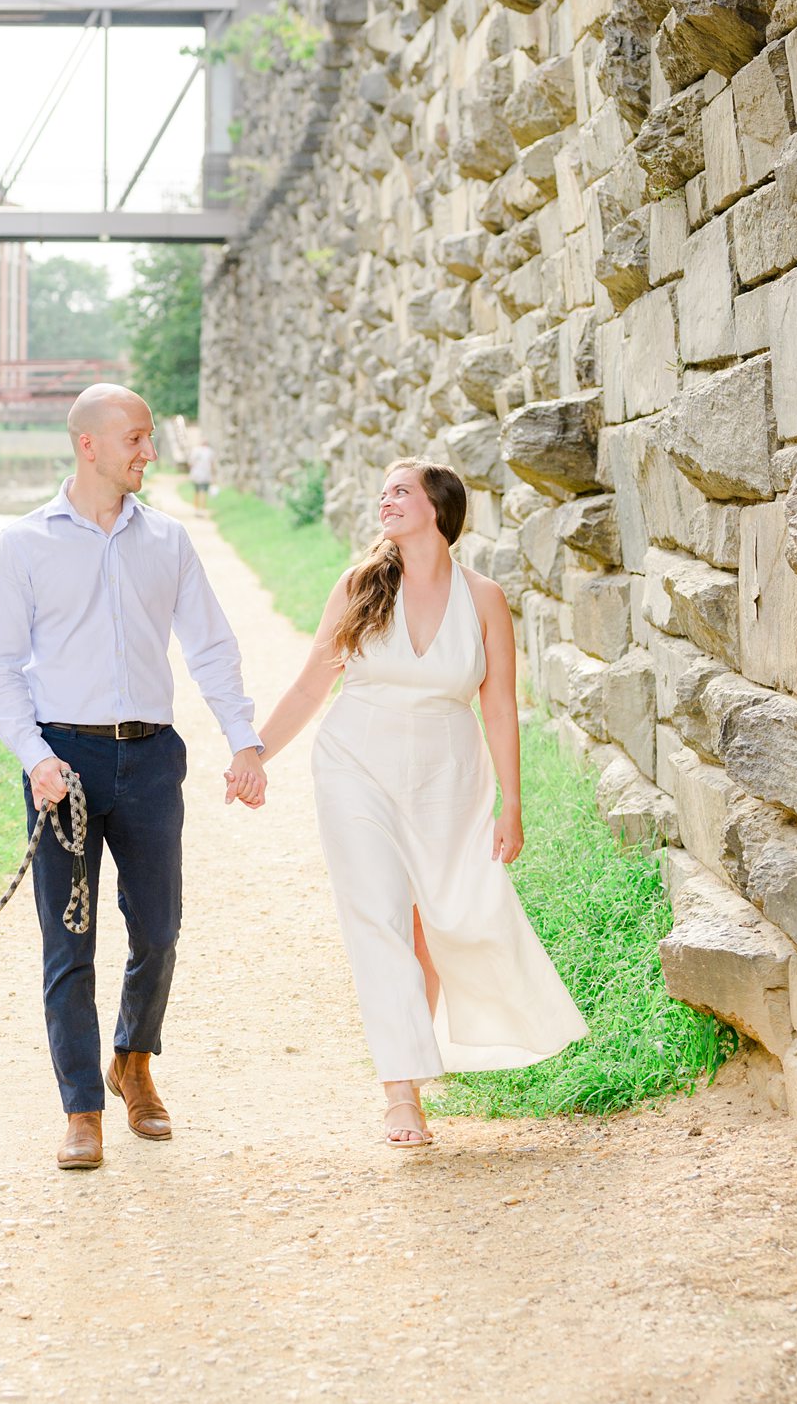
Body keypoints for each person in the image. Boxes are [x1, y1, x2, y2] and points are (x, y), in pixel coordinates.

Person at [249, 458, 587, 1146]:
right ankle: (400, 1091)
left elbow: (498, 706)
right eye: (383, 491)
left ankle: (421, 1052)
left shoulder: (485, 598)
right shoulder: (360, 585)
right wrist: (255, 752)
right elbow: (314, 685)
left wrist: (512, 803)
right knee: (379, 917)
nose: (386, 499)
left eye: (401, 490)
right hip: (354, 766)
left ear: (438, 507)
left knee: (440, 918)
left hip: (448, 779)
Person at [0, 385, 268, 1171]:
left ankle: (133, 1060)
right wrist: (35, 757)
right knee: (68, 943)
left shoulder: (166, 540)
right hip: (60, 767)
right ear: (90, 446)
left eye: (149, 437)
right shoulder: (25, 544)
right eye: (137, 438)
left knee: (159, 929)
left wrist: (244, 741)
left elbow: (210, 644)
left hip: (149, 756)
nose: (150, 450)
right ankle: (82, 1107)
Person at [187, 440, 216, 513]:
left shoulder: (195, 450)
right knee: (203, 492)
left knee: (196, 492)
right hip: (206, 474)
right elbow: (212, 464)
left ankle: (196, 509)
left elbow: (190, 463)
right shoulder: (210, 451)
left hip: (196, 474)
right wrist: (213, 475)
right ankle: (202, 509)